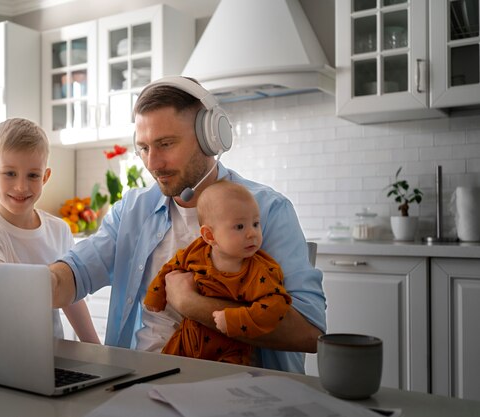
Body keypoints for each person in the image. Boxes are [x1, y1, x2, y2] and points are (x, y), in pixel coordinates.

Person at [50, 76, 326, 372]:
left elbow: (310, 332)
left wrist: (192, 305)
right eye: (143, 148)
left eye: (165, 144)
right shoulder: (133, 209)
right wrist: (38, 284)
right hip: (136, 383)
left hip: (238, 390)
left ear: (210, 137)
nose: (153, 163)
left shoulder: (268, 211)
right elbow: (76, 272)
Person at [0, 117, 100, 344]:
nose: (21, 186)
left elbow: (71, 295)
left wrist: (95, 347)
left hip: (51, 354)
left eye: (33, 175)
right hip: (1, 352)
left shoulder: (59, 229)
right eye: (9, 173)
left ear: (45, 177)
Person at [143, 181, 291, 365]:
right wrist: (155, 295)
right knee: (167, 372)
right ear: (210, 236)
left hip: (230, 350)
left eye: (255, 224)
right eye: (240, 227)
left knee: (227, 381)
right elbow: (171, 267)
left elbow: (276, 305)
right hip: (187, 339)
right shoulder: (197, 251)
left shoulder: (260, 270)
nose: (252, 233)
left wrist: (235, 320)